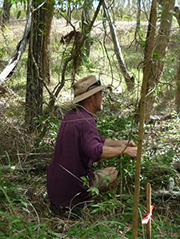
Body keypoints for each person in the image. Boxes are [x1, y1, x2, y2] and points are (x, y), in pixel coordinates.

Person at [47, 75, 138, 208]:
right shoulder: (86, 121)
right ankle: (81, 203)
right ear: (91, 98)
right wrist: (125, 151)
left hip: (55, 189)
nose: (102, 99)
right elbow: (95, 151)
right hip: (72, 190)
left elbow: (96, 140)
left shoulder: (72, 115)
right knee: (113, 173)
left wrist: (120, 143)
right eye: (100, 95)